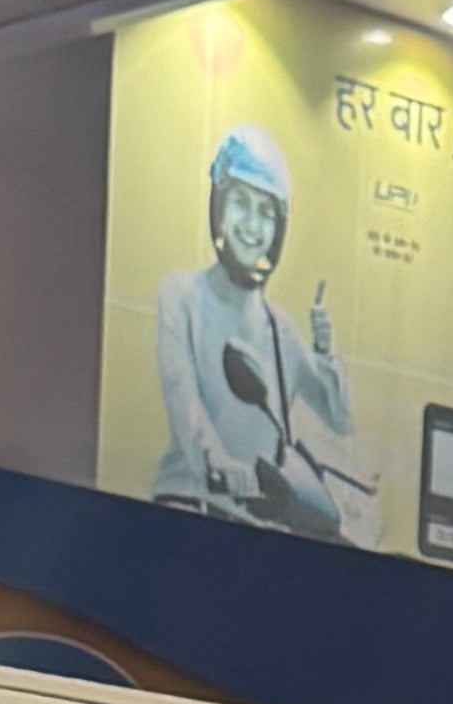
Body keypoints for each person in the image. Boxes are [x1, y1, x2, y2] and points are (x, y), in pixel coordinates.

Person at [149, 126, 359, 534]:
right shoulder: (181, 296)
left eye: (266, 212)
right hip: (190, 505)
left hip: (260, 525)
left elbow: (341, 419)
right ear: (219, 208)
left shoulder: (280, 331)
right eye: (240, 203)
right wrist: (219, 465)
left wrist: (325, 351)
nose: (252, 224)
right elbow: (184, 403)